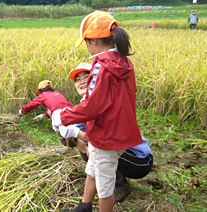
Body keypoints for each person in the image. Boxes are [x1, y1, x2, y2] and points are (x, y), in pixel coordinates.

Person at [52, 11, 143, 212]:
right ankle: (84, 207)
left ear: (93, 40)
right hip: (119, 131)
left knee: (105, 188)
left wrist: (62, 117)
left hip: (106, 136)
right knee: (92, 169)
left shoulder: (102, 67)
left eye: (86, 41)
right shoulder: (124, 61)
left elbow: (93, 105)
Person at [59, 62, 153, 203]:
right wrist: (77, 139)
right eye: (77, 79)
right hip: (122, 153)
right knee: (79, 140)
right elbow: (67, 135)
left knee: (97, 146)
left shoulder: (105, 101)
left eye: (86, 76)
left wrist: (79, 137)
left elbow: (107, 139)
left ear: (96, 78)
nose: (82, 81)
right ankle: (104, 181)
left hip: (140, 160)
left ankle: (119, 186)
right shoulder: (84, 105)